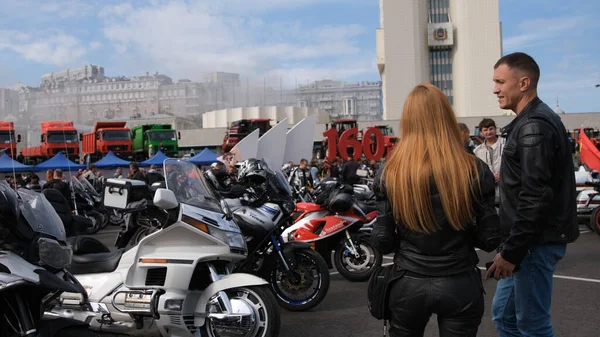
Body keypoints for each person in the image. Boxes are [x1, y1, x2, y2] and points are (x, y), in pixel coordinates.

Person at [371, 83, 500, 337]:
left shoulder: (391, 171)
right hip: (460, 281)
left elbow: (382, 241)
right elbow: (490, 239)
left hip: (408, 282)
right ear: (447, 118)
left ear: (407, 121)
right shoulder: (473, 168)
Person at [487, 52, 578, 337]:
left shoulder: (533, 126)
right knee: (505, 316)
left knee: (531, 324)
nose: (495, 89)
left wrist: (512, 252)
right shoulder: (529, 123)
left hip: (533, 245)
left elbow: (535, 197)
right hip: (527, 243)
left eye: (501, 82)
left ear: (524, 83)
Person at [473, 118, 504, 205]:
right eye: (485, 130)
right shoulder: (477, 151)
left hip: (506, 191)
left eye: (491, 129)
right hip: (487, 195)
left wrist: (503, 174)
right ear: (481, 132)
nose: (488, 132)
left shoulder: (506, 145)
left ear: (495, 129)